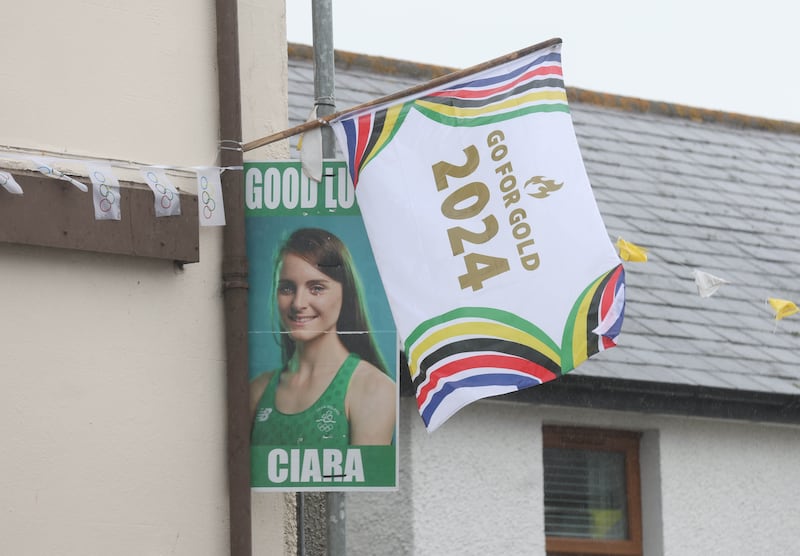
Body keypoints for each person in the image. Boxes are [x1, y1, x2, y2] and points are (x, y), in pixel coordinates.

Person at [250, 227, 396, 446]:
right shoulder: (257, 391)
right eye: (287, 288)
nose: (298, 303)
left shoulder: (374, 388)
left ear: (346, 293)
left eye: (316, 288)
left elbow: (369, 479)